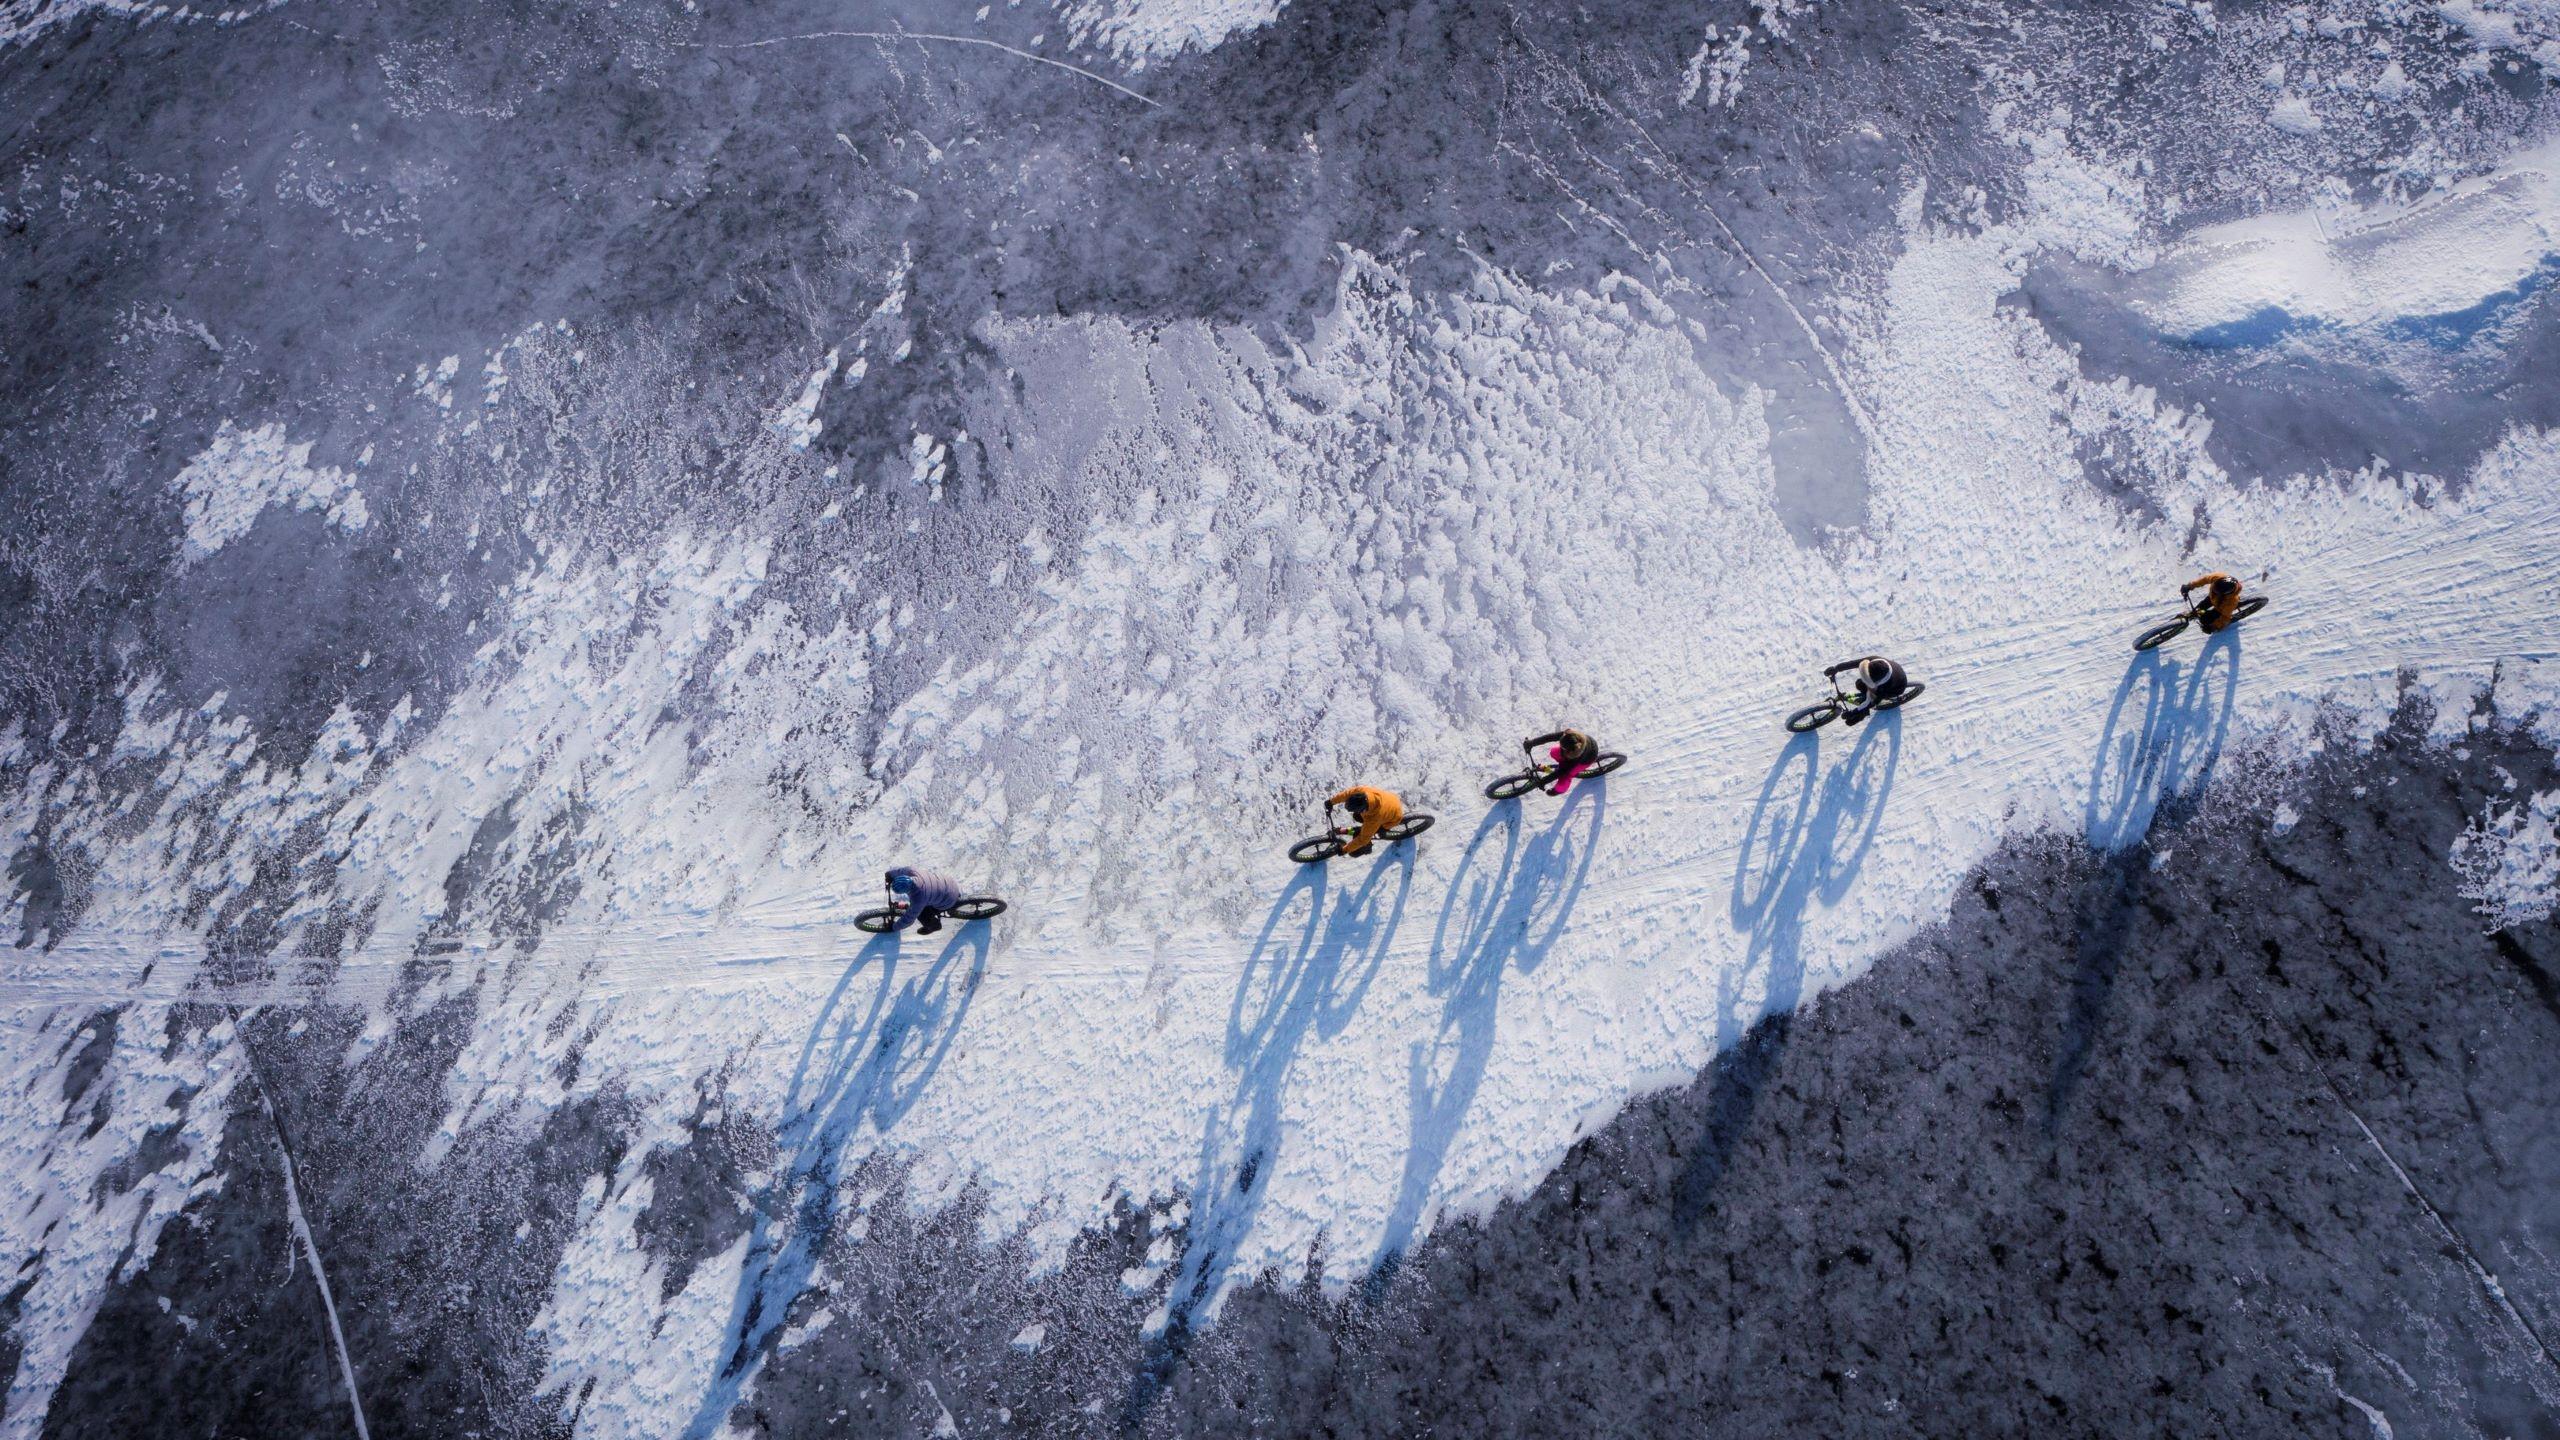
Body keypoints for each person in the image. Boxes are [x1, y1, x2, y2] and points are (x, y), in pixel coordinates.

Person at [1823, 656, 1908, 726]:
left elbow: (1871, 703)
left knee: (1864, 708)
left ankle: (1861, 715)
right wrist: (1837, 668)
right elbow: (1854, 663)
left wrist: (1854, 712)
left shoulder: (1883, 688)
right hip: (1893, 672)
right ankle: (1865, 694)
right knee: (1859, 683)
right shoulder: (1874, 660)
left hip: (1896, 688)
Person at [1325, 785, 1405, 857]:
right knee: (1357, 817)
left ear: (1363, 810)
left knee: (1354, 852)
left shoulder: (1374, 818)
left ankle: (1367, 848)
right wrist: (1331, 801)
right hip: (1391, 800)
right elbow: (1347, 794)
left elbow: (1362, 840)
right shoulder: (1362, 792)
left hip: (1394, 818)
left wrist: (1344, 850)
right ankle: (1361, 830)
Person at [883, 866, 963, 935]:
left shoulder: (919, 897)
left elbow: (909, 919)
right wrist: (890, 875)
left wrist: (894, 927)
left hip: (948, 900)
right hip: (949, 883)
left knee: (921, 914)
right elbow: (900, 871)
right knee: (918, 906)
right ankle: (910, 907)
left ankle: (934, 926)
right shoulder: (913, 871)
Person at [1522, 728, 1601, 795]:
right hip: (1576, 750)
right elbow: (1551, 737)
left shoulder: (1575, 759)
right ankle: (1559, 765)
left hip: (1586, 759)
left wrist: (1543, 781)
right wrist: (1532, 743)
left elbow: (1560, 772)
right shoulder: (1570, 735)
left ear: (1569, 752)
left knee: (1565, 777)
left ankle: (1558, 791)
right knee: (1554, 751)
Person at [2180, 571, 2245, 633]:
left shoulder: (2231, 601)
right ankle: (2194, 614)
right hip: (2212, 598)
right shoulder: (2218, 577)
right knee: (2200, 608)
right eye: (2214, 589)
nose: (2214, 591)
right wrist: (2189, 586)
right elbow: (2204, 580)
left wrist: (2214, 627)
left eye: (2216, 592)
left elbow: (2225, 618)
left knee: (2205, 619)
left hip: (2220, 607)